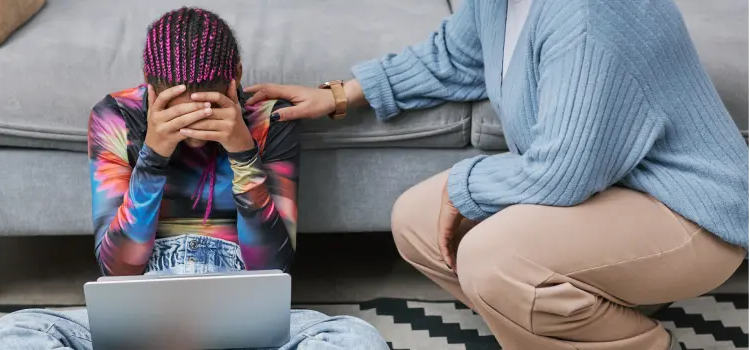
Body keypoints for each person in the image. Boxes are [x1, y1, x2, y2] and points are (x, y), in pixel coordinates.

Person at [243, 0, 750, 349]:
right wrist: (338, 95)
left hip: (686, 212)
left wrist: (465, 189)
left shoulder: (591, 16)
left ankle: (644, 344)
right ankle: (577, 327)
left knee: (492, 256)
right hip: (607, 184)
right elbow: (452, 57)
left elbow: (561, 174)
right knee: (416, 218)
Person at [0, 7, 388, 350]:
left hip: (243, 309)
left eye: (208, 107)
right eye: (176, 108)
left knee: (355, 337)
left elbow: (272, 266)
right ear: (151, 89)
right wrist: (153, 156)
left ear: (236, 78)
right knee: (7, 335)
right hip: (140, 305)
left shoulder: (269, 117)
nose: (192, 129)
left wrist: (244, 154)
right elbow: (116, 270)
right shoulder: (115, 115)